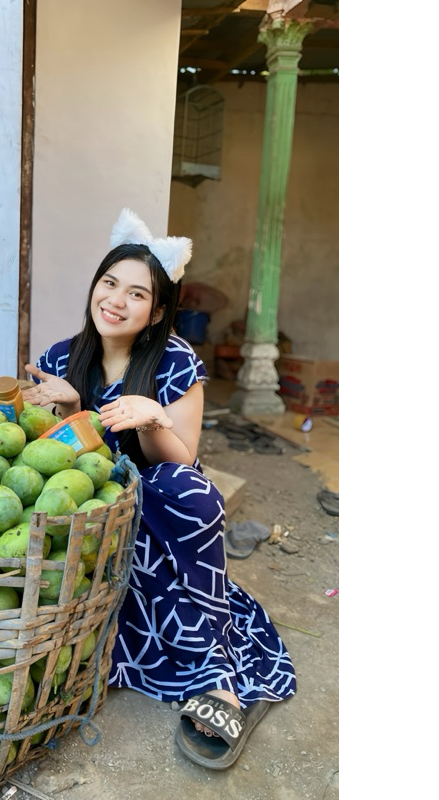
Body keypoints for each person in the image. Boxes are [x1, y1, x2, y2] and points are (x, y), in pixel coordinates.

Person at [22, 208, 296, 770]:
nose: (116, 301)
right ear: (95, 288)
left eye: (137, 294)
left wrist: (153, 420)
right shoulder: (59, 358)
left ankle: (214, 674)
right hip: (89, 504)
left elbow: (183, 461)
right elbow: (46, 464)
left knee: (185, 491)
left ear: (156, 313)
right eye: (109, 284)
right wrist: (72, 411)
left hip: (157, 503)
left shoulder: (177, 362)